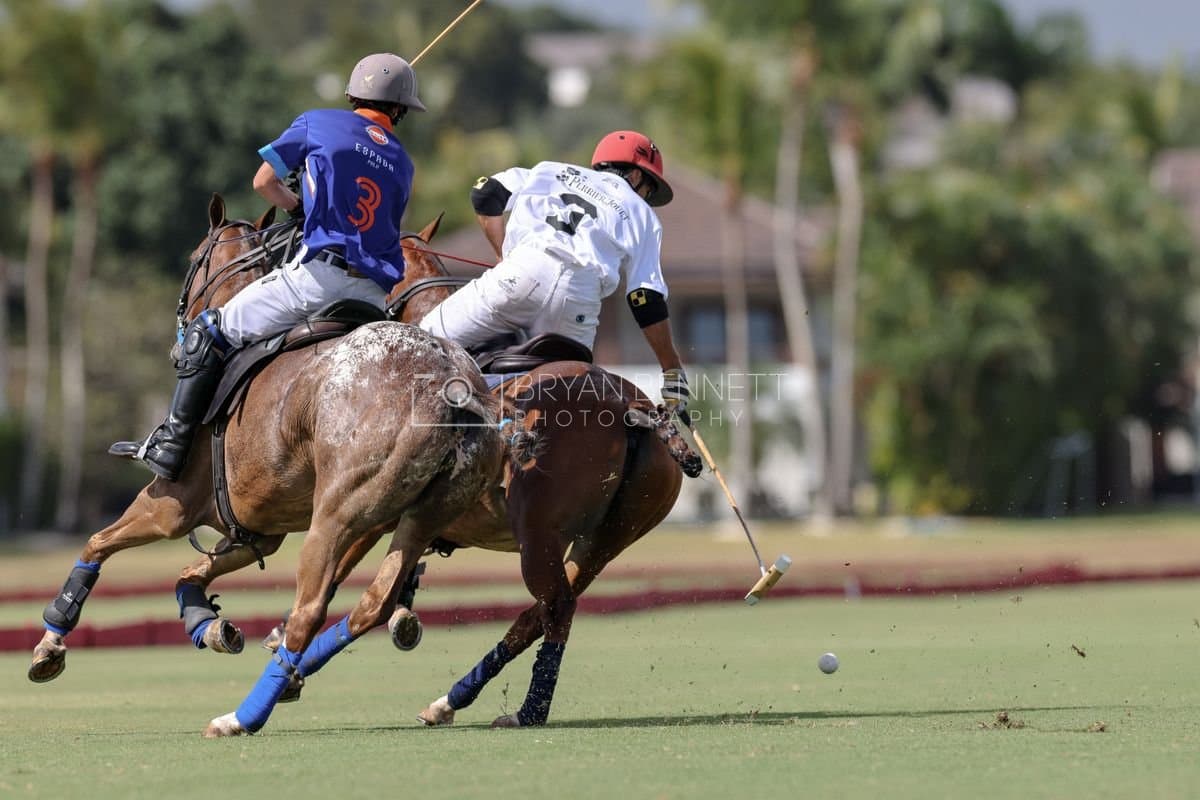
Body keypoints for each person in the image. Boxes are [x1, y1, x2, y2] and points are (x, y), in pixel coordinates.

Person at [111, 53, 426, 481]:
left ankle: (170, 444)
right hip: (373, 295)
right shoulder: (403, 164)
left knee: (207, 330)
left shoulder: (317, 122)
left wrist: (298, 206)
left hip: (319, 280)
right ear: (401, 108)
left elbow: (263, 182)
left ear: (352, 94)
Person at [419, 130, 690, 417]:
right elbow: (644, 297)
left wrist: (502, 255)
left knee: (423, 340)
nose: (646, 198)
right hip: (577, 301)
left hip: (521, 273)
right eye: (649, 190)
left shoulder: (551, 170)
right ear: (635, 177)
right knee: (572, 403)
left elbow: (485, 192)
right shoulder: (643, 214)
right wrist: (671, 368)